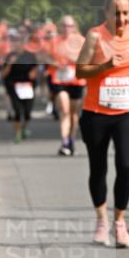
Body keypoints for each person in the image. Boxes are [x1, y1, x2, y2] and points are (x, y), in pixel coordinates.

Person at [76, 0, 129, 248]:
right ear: (105, 12)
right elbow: (80, 70)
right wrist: (104, 66)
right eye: (115, 13)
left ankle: (119, 222)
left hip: (127, 111)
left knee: (126, 165)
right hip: (96, 112)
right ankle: (101, 221)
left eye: (126, 13)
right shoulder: (95, 35)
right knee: (98, 167)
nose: (121, 18)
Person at [47, 16, 85, 156]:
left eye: (69, 26)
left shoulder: (80, 41)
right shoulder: (54, 41)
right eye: (64, 25)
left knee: (74, 114)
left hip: (76, 80)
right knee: (64, 110)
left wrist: (73, 59)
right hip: (59, 80)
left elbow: (87, 59)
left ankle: (71, 140)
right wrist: (55, 63)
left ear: (74, 27)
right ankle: (64, 142)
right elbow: (45, 57)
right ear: (59, 26)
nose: (66, 29)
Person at [2, 29, 39, 142]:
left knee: (27, 112)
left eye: (21, 42)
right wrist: (10, 63)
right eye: (16, 42)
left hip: (28, 87)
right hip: (14, 86)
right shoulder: (9, 56)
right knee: (17, 111)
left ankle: (24, 128)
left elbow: (36, 69)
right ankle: (17, 134)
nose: (18, 44)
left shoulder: (30, 56)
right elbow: (3, 74)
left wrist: (34, 73)